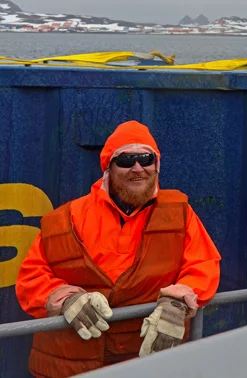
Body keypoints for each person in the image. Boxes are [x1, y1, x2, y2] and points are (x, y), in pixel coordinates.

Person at [16, 120, 222, 378]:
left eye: (146, 159)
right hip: (69, 365)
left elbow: (203, 264)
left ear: (156, 166)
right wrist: (65, 299)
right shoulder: (66, 218)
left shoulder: (179, 213)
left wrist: (177, 303)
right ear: (108, 168)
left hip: (146, 364)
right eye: (126, 160)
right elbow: (31, 278)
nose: (138, 168)